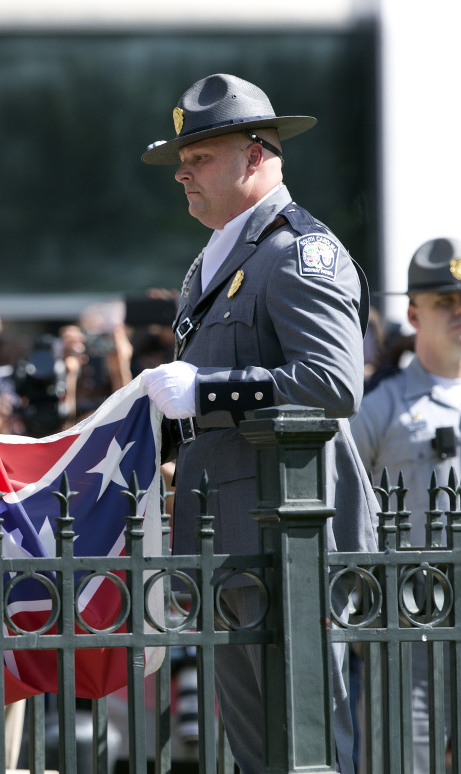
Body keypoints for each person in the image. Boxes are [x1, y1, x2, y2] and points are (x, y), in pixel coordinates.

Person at [137, 73, 379, 774]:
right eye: (181, 158)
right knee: (258, 752)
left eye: (200, 155)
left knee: (304, 748)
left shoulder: (299, 251)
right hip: (235, 541)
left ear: (254, 154)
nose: (182, 170)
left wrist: (209, 391)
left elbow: (334, 382)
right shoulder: (215, 261)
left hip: (289, 544)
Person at [350, 237, 461, 772]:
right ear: (414, 312)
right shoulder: (382, 407)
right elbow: (338, 501)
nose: (459, 313)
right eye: (445, 302)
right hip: (412, 622)